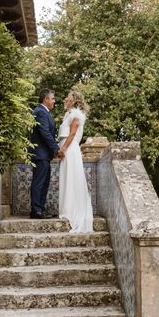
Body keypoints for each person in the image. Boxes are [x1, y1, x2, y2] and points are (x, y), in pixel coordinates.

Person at [58, 91, 93, 233]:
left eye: (68, 98)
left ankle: (71, 211)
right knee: (67, 179)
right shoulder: (68, 114)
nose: (65, 99)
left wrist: (63, 149)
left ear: (74, 101)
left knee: (71, 179)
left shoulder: (76, 115)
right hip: (67, 149)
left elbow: (72, 134)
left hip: (70, 150)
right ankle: (67, 209)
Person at [28, 89, 64, 219]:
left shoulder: (44, 112)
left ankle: (41, 209)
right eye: (52, 99)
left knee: (44, 182)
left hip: (44, 154)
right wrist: (56, 149)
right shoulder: (40, 112)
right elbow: (45, 133)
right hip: (39, 154)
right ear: (45, 99)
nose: (54, 101)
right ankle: (36, 210)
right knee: (39, 182)